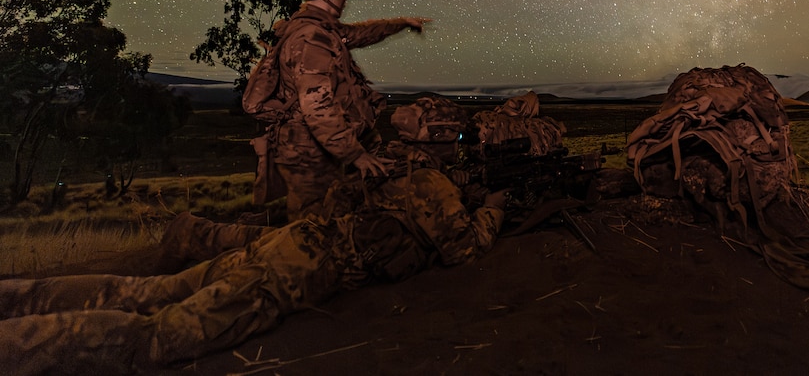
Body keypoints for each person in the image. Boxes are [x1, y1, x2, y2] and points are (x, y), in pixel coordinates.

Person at [0, 156, 506, 376]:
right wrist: (493, 210)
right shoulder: (436, 187)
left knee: (144, 291)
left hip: (288, 243)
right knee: (154, 338)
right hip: (287, 274)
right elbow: (462, 250)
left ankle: (17, 298)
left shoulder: (397, 169)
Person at [268, 0, 431, 220]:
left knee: (340, 217)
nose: (346, 0)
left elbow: (359, 34)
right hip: (311, 152)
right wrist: (356, 155)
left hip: (323, 146)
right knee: (313, 231)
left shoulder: (321, 29)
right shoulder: (312, 38)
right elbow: (316, 106)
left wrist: (401, 24)